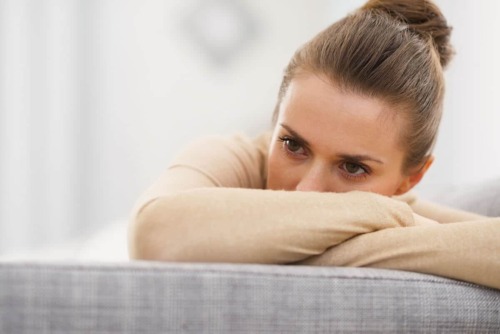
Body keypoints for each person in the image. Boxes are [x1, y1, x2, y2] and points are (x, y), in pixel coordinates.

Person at [128, 0, 500, 289]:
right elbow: (153, 237)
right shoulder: (233, 157)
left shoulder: (404, 204)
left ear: (409, 181)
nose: (306, 189)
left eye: (353, 168)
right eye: (292, 145)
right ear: (275, 120)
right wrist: (384, 216)